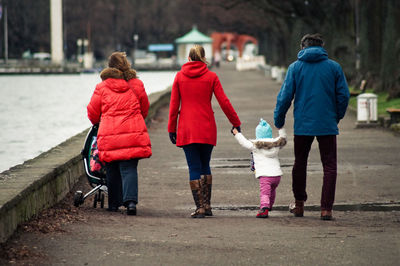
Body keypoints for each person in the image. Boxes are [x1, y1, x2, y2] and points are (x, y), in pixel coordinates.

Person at [274, 33, 350, 220]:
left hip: (303, 124)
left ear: (303, 47)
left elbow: (285, 97)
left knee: (300, 163)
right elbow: (344, 96)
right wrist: (336, 116)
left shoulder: (295, 68)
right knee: (330, 165)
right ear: (322, 47)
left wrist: (279, 119)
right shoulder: (334, 67)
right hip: (327, 123)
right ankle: (326, 209)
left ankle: (299, 205)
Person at [168, 45, 241, 218]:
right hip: (207, 126)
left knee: (193, 166)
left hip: (187, 128)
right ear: (203, 57)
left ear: (189, 57)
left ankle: (199, 207)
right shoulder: (211, 76)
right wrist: (235, 122)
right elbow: (224, 101)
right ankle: (207, 206)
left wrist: (171, 128)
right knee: (205, 165)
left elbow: (173, 106)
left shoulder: (179, 77)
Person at [87, 52, 151, 215]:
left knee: (112, 168)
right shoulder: (136, 84)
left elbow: (93, 112)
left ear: (110, 66)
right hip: (132, 131)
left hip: (109, 133)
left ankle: (114, 204)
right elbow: (144, 107)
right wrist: (135, 119)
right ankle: (130, 203)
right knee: (129, 168)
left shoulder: (102, 87)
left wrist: (99, 122)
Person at [232, 119, 287, 218]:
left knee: (265, 193)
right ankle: (269, 205)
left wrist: (237, 133)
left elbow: (244, 142)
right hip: (277, 175)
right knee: (272, 191)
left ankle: (264, 209)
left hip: (265, 176)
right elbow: (283, 138)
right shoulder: (276, 144)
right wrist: (281, 128)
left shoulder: (256, 146)